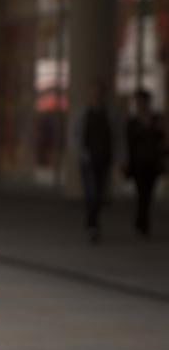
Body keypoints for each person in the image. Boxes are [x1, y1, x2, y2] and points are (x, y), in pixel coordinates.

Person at [76, 80, 113, 243]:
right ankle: (92, 224)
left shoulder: (110, 114)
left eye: (99, 92)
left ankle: (93, 222)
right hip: (88, 159)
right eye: (94, 91)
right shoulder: (84, 113)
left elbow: (116, 137)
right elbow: (75, 134)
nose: (96, 95)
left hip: (104, 158)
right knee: (91, 192)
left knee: (99, 192)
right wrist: (81, 152)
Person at [125, 89, 166, 237]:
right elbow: (128, 143)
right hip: (138, 162)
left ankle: (142, 221)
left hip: (153, 162)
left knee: (148, 193)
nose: (140, 105)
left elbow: (162, 139)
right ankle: (142, 222)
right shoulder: (132, 122)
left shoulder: (156, 119)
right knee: (141, 192)